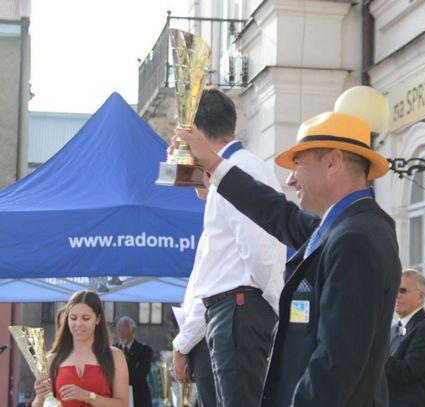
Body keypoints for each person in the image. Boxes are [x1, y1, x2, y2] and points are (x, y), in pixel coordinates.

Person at [175, 110, 402, 406]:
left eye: (297, 164)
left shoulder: (355, 238)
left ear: (333, 162)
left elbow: (336, 362)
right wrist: (212, 163)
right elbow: (276, 212)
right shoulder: (345, 228)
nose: (290, 179)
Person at [170, 86, 287, 407]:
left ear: (195, 132)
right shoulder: (232, 171)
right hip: (231, 311)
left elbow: (259, 254)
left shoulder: (240, 170)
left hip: (239, 310)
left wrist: (273, 307)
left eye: (183, 134)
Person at [32, 290, 129, 407]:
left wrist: (89, 396)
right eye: (73, 318)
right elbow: (38, 404)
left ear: (98, 319)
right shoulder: (51, 360)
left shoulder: (115, 356)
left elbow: (123, 404)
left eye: (85, 318)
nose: (78, 324)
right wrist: (41, 395)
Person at [385, 269, 425, 407]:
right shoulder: (394, 328)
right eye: (395, 290)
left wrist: (376, 356)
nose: (397, 295)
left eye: (403, 290)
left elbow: (408, 372)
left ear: (420, 296)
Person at [114, 316, 153, 407]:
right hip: (117, 394)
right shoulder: (113, 349)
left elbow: (141, 372)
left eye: (124, 330)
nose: (121, 333)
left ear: (133, 330)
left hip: (138, 396)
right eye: (119, 330)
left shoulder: (144, 350)